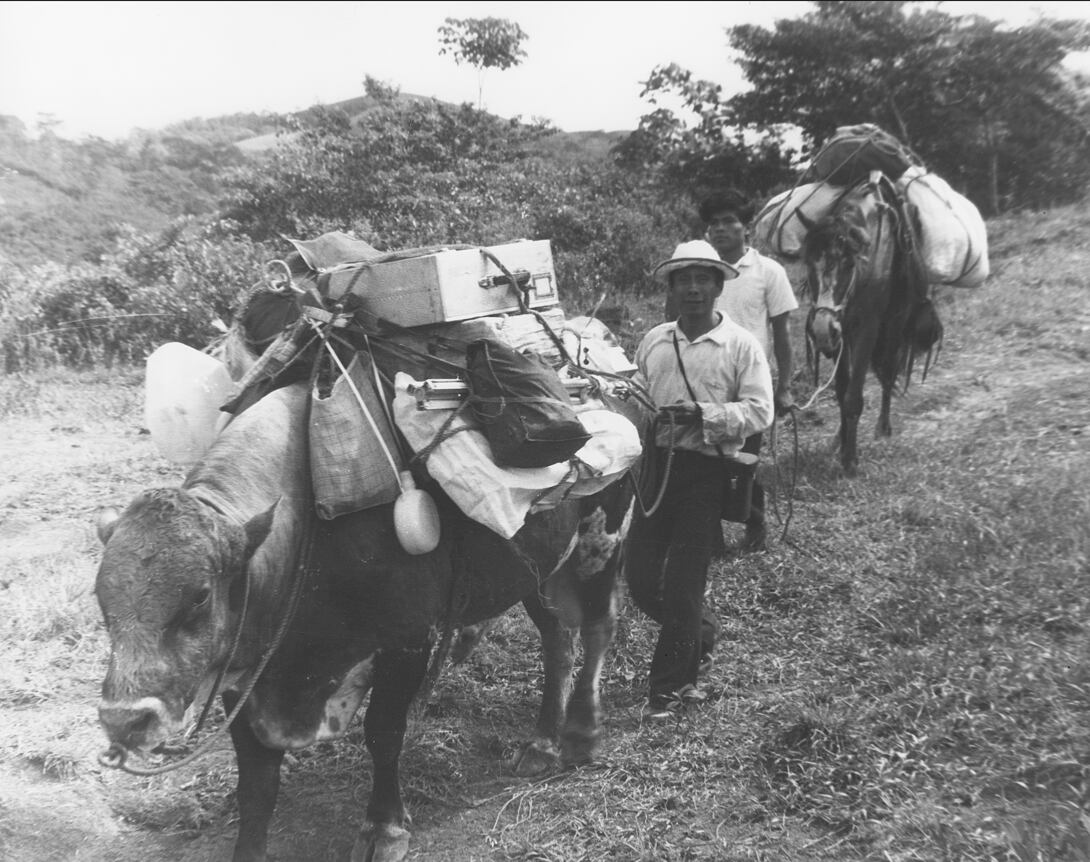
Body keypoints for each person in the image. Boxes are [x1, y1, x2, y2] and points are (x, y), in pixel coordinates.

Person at [627, 240, 774, 720]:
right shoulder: (654, 341)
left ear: (718, 286)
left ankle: (670, 689)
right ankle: (700, 632)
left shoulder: (739, 345)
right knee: (640, 579)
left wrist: (704, 414)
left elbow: (760, 411)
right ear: (671, 289)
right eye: (683, 280)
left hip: (706, 472)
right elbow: (636, 395)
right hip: (656, 469)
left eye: (702, 279)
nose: (692, 288)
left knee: (684, 582)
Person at [700, 189, 799, 552]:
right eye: (714, 223)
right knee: (703, 460)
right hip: (704, 379)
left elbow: (782, 334)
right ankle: (710, 535)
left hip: (750, 384)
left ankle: (755, 525)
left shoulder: (768, 271)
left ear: (747, 227)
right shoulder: (701, 272)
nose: (720, 229)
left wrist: (784, 387)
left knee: (743, 460)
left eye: (729, 222)